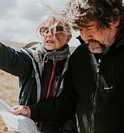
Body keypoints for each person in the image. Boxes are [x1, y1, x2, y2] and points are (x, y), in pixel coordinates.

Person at [0, 12, 75, 133]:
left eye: (57, 29)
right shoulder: (31, 59)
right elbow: (11, 58)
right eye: (45, 29)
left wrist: (33, 111)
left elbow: (66, 105)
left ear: (68, 38)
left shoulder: (73, 66)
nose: (50, 34)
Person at [13, 0, 124, 133]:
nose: (84, 37)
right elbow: (67, 105)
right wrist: (32, 111)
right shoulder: (80, 57)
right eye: (80, 30)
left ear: (114, 19)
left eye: (89, 28)